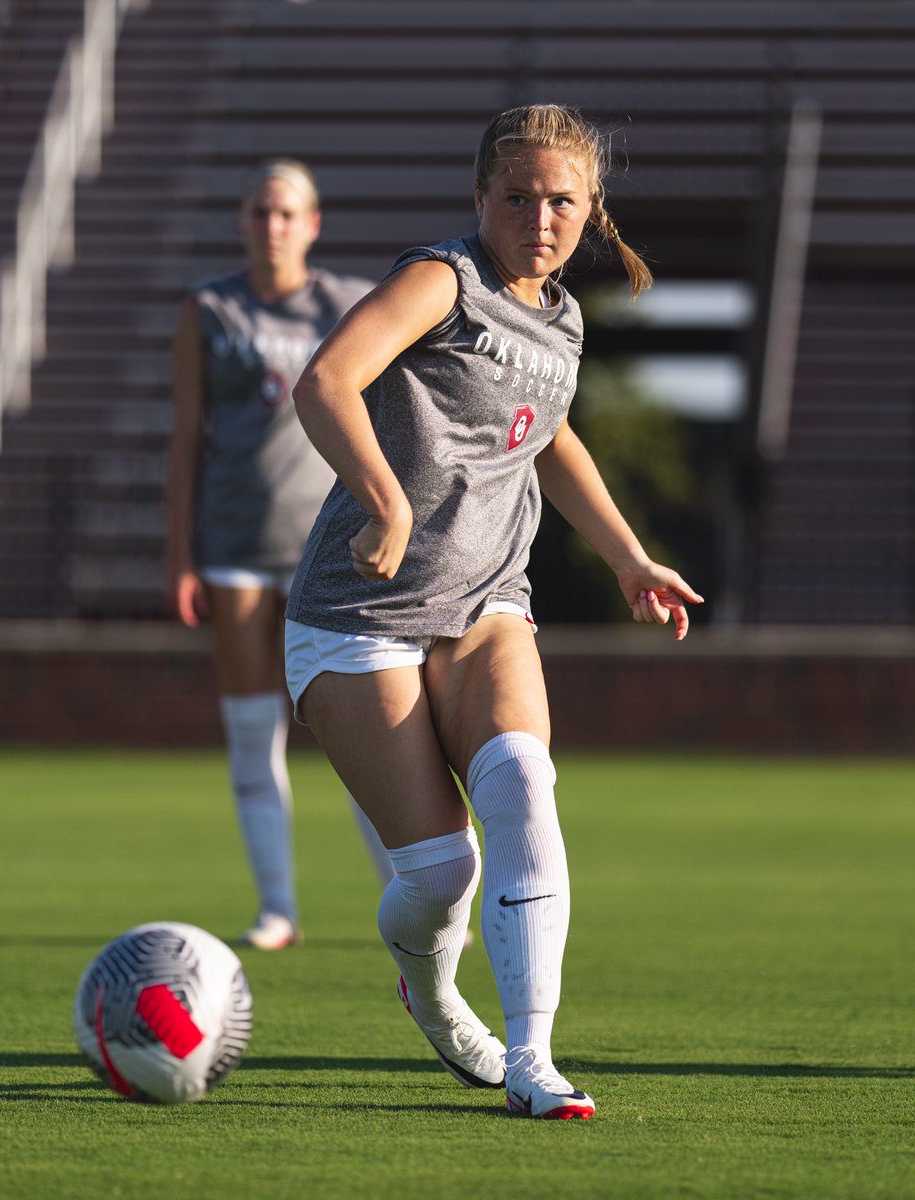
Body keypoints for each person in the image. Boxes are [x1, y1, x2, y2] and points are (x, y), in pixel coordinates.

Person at [283, 105, 703, 1119]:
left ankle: (533, 1059)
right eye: (518, 197)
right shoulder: (443, 279)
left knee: (520, 779)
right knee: (440, 875)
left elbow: (550, 440)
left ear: (590, 210)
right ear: (482, 200)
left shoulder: (561, 318)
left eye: (562, 200)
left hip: (485, 606)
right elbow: (327, 381)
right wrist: (384, 497)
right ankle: (428, 988)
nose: (540, 216)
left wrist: (627, 556)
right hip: (357, 612)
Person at [166, 158, 395, 951]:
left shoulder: (345, 303)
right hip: (232, 547)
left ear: (313, 224)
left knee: (362, 730)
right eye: (260, 212)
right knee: (252, 730)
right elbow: (186, 438)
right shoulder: (209, 309)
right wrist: (180, 555)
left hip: (324, 549)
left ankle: (409, 896)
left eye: (287, 213)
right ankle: (278, 909)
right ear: (242, 221)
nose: (273, 226)